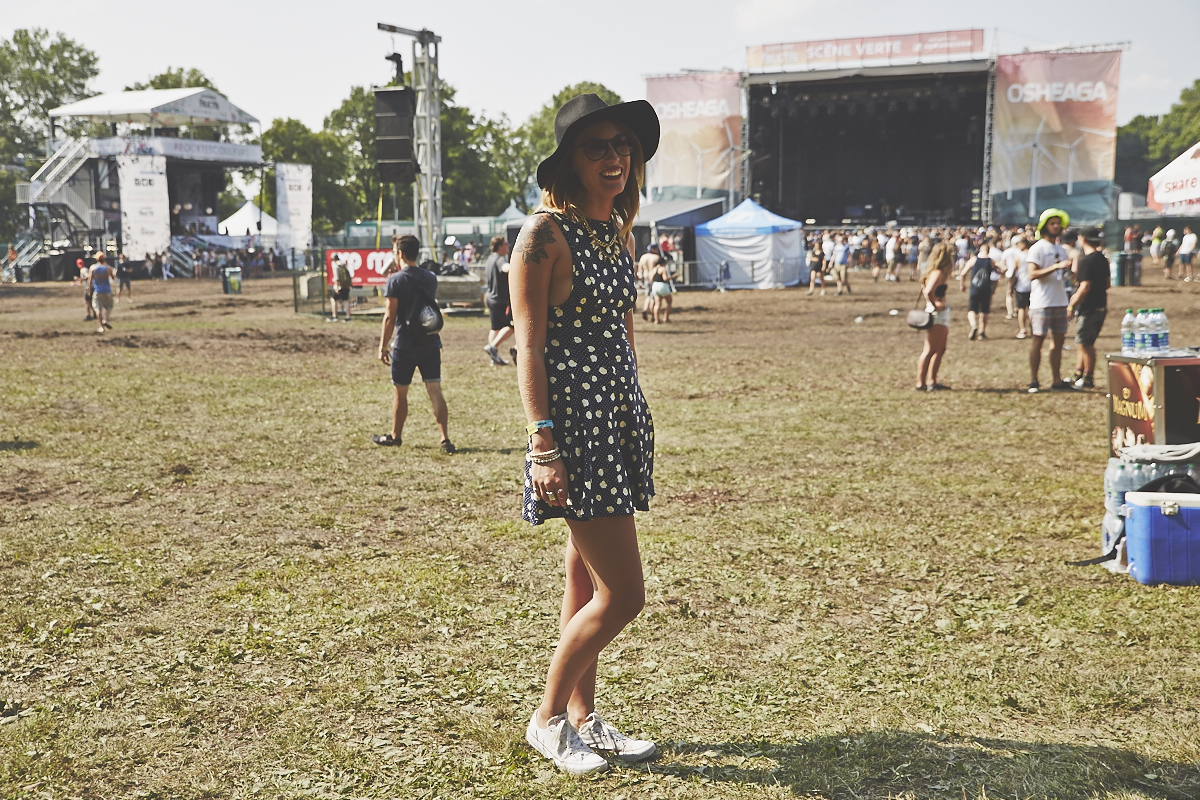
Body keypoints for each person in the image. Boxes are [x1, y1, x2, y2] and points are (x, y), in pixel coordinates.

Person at [510, 93, 659, 776]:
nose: (613, 157)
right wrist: (543, 444)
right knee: (624, 595)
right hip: (572, 430)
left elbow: (621, 333)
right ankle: (546, 720)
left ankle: (583, 718)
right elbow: (530, 349)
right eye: (596, 146)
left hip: (615, 419)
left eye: (621, 143)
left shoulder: (617, 234)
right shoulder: (543, 235)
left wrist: (633, 408)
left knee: (585, 577)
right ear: (569, 160)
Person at [372, 235, 455, 453]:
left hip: (405, 344)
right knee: (435, 390)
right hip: (429, 342)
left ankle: (395, 435)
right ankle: (445, 439)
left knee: (400, 393)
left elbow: (390, 317)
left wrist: (382, 346)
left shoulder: (395, 280)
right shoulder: (430, 277)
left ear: (400, 253)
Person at [1026, 208, 1073, 393]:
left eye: (1058, 224)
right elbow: (1032, 274)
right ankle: (1034, 379)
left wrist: (1070, 273)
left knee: (1058, 342)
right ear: (1045, 226)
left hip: (1060, 300)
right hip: (1041, 302)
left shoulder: (1061, 249)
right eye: (1052, 223)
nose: (1056, 227)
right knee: (1038, 340)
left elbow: (1062, 275)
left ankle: (1056, 379)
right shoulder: (1037, 248)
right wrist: (1056, 267)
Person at [1068, 226, 1109, 389]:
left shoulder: (1086, 260)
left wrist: (1072, 304)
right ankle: (1079, 373)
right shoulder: (1102, 258)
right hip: (1101, 304)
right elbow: (1108, 284)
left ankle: (1088, 377)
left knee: (1087, 343)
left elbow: (1084, 286)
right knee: (1082, 340)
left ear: (1082, 239)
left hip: (1089, 307)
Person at [916, 241, 953, 391]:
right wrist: (935, 303)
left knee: (940, 348)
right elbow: (928, 291)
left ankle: (932, 380)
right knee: (930, 349)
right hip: (937, 312)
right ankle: (921, 382)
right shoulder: (937, 272)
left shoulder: (936, 272)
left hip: (941, 312)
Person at [960, 238, 999, 340]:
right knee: (984, 310)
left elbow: (963, 273)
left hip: (974, 288)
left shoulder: (974, 259)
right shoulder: (991, 261)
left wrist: (962, 284)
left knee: (972, 309)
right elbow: (1002, 268)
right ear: (988, 251)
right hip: (986, 289)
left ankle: (973, 325)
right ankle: (982, 332)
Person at [483, 235, 513, 365]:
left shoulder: (490, 259)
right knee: (511, 326)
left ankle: (493, 358)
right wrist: (517, 268)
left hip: (490, 298)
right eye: (506, 244)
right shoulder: (500, 259)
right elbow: (506, 268)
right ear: (500, 246)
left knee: (495, 328)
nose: (508, 246)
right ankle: (493, 347)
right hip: (500, 299)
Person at [1007, 236, 1032, 339]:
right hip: (1033, 286)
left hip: (1022, 286)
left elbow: (1013, 273)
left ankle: (1023, 329)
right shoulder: (1033, 255)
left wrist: (1010, 286)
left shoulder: (1019, 257)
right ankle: (1034, 329)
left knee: (1021, 308)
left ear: (1023, 244)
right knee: (1031, 308)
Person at [87, 253, 114, 334]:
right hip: (107, 290)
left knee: (98, 309)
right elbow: (113, 277)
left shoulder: (93, 268)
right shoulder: (108, 268)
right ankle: (105, 319)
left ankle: (101, 327)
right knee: (109, 307)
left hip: (97, 290)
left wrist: (89, 290)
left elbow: (90, 280)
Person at [637, 244, 660, 321]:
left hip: (645, 278)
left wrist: (639, 282)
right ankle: (653, 314)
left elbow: (640, 270)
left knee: (648, 296)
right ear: (653, 249)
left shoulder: (643, 257)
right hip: (654, 279)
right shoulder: (656, 257)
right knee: (653, 297)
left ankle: (645, 309)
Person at [328, 256, 352, 322]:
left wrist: (336, 287)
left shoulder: (336, 266)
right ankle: (348, 317)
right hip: (346, 285)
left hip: (340, 286)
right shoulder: (343, 265)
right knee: (345, 300)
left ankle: (334, 316)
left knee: (334, 299)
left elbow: (337, 278)